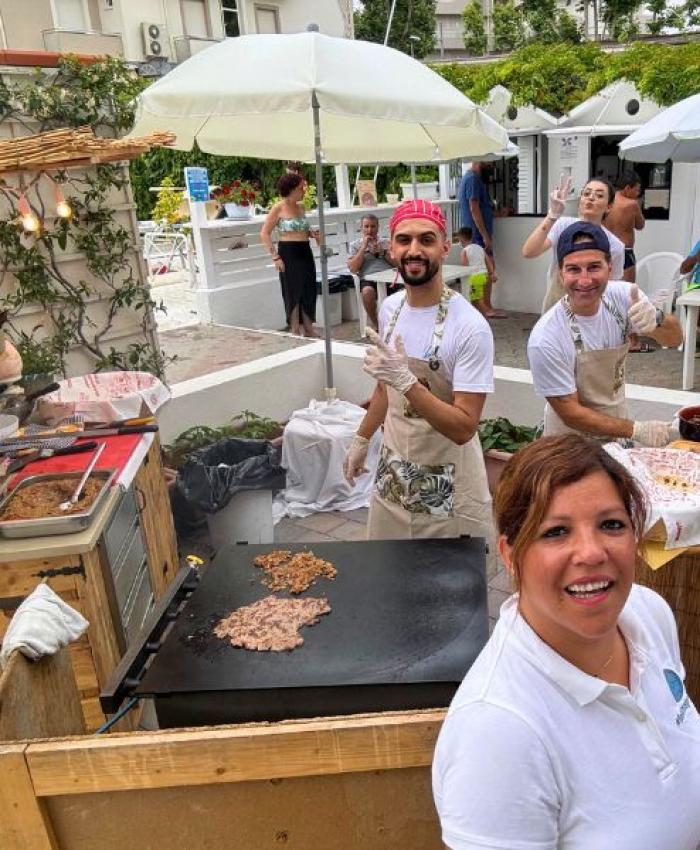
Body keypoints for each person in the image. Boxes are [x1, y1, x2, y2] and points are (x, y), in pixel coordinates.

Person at [433, 433, 700, 850]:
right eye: (556, 532)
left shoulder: (647, 614)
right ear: (509, 553)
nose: (591, 553)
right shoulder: (498, 733)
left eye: (611, 524)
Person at [342, 199, 494, 540]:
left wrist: (408, 382)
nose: (414, 250)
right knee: (390, 571)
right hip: (395, 469)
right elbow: (385, 391)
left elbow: (464, 427)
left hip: (447, 478)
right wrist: (362, 438)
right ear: (391, 248)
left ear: (444, 246)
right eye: (404, 240)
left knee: (443, 583)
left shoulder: (469, 326)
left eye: (426, 240)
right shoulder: (390, 309)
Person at [527, 222, 682, 446]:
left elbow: (675, 339)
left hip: (617, 429)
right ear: (561, 274)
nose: (584, 280)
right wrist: (636, 429)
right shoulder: (546, 338)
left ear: (610, 266)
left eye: (593, 267)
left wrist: (656, 319)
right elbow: (571, 413)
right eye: (573, 269)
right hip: (568, 444)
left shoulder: (626, 297)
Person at [523, 175, 625, 313]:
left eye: (599, 195)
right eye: (586, 193)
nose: (591, 198)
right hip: (556, 304)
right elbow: (529, 251)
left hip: (591, 310)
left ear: (609, 206)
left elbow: (611, 286)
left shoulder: (615, 246)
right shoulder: (563, 224)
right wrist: (552, 215)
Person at [261, 172, 319, 337]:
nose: (304, 191)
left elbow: (302, 230)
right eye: (301, 188)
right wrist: (275, 256)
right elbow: (264, 233)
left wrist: (312, 234)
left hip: (304, 250)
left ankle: (309, 328)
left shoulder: (301, 207)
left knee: (308, 288)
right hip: (288, 252)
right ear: (292, 189)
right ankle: (294, 329)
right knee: (292, 290)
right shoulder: (278, 207)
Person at [457, 163, 505, 318]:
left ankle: (483, 308)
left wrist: (497, 213)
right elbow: (474, 207)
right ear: (479, 162)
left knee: (481, 273)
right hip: (477, 236)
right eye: (490, 162)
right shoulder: (473, 179)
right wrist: (485, 235)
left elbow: (481, 208)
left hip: (476, 234)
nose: (492, 165)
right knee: (480, 273)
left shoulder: (473, 179)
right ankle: (485, 308)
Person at [347, 214, 397, 331]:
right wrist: (363, 248)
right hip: (368, 278)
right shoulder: (355, 245)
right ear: (362, 228)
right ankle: (377, 325)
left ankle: (398, 323)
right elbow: (353, 268)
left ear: (378, 227)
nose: (370, 230)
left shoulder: (386, 243)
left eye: (373, 226)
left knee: (405, 289)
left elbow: (398, 264)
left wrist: (383, 253)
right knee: (367, 292)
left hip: (389, 277)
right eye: (366, 226)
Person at [605, 171, 646, 283]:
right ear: (627, 188)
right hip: (625, 251)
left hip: (606, 250)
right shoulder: (631, 204)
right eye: (637, 190)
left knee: (607, 290)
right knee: (627, 291)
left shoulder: (607, 201)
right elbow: (640, 225)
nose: (638, 193)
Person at [456, 226, 496, 308]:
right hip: (484, 276)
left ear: (461, 239)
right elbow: (488, 262)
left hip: (474, 277)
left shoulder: (464, 251)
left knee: (476, 301)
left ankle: (484, 317)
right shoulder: (480, 248)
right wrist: (492, 274)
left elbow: (465, 268)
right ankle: (486, 313)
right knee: (482, 299)